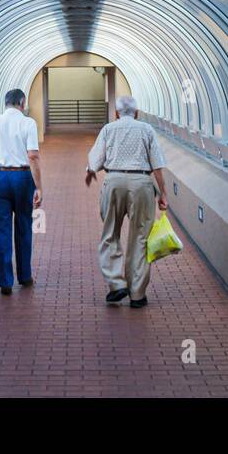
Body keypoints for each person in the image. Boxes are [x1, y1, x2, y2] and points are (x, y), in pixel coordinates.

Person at [85, 95, 168, 308]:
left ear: (116, 113)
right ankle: (137, 294)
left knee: (110, 233)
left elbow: (95, 160)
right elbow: (157, 165)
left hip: (113, 180)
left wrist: (90, 171)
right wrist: (163, 195)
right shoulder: (147, 130)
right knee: (141, 237)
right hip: (141, 183)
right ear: (137, 112)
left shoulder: (108, 129)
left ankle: (116, 284)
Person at [0, 88, 43, 295]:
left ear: (5, 103)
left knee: (0, 229)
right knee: (24, 225)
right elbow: (33, 157)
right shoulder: (28, 123)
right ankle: (25, 275)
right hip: (22, 177)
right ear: (22, 103)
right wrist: (39, 186)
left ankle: (5, 281)